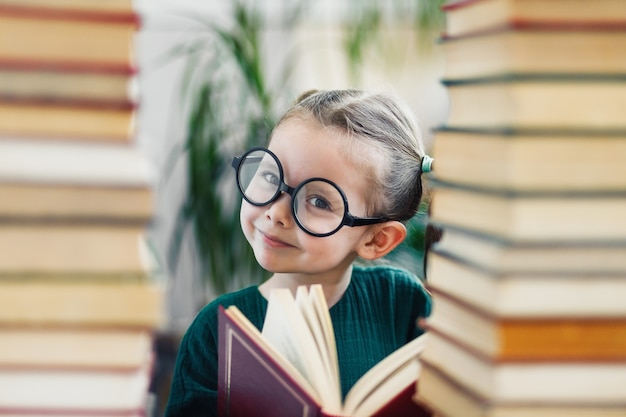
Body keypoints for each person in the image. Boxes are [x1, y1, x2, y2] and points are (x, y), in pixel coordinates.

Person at [164, 89, 433, 417]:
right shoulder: (215, 330)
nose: (276, 212)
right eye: (269, 175)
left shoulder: (401, 302)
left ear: (377, 240)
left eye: (318, 201)